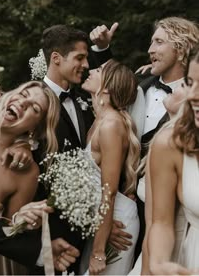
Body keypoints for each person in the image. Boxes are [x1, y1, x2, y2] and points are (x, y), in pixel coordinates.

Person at [89, 16, 199, 260]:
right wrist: (103, 49)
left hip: (170, 214)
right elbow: (107, 81)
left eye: (159, 42)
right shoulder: (139, 83)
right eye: (151, 42)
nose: (150, 50)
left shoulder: (193, 100)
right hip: (119, 208)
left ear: (181, 48)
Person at [33, 24, 131, 274]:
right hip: (54, 235)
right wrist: (95, 224)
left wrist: (102, 225)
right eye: (80, 57)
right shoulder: (33, 104)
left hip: (93, 229)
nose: (87, 65)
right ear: (56, 58)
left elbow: (114, 84)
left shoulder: (85, 99)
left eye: (87, 58)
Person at [0, 87, 80, 274]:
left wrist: (22, 219)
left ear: (34, 129)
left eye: (34, 108)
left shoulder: (26, 172)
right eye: (23, 94)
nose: (24, 103)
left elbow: (12, 230)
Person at [80, 59, 140, 275]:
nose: (91, 70)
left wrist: (98, 251)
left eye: (98, 70)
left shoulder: (111, 124)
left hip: (118, 223)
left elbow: (109, 191)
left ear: (106, 86)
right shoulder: (99, 121)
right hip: (102, 222)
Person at [148, 43, 199, 274]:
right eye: (190, 83)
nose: (194, 96)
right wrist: (159, 263)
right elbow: (161, 221)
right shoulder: (170, 143)